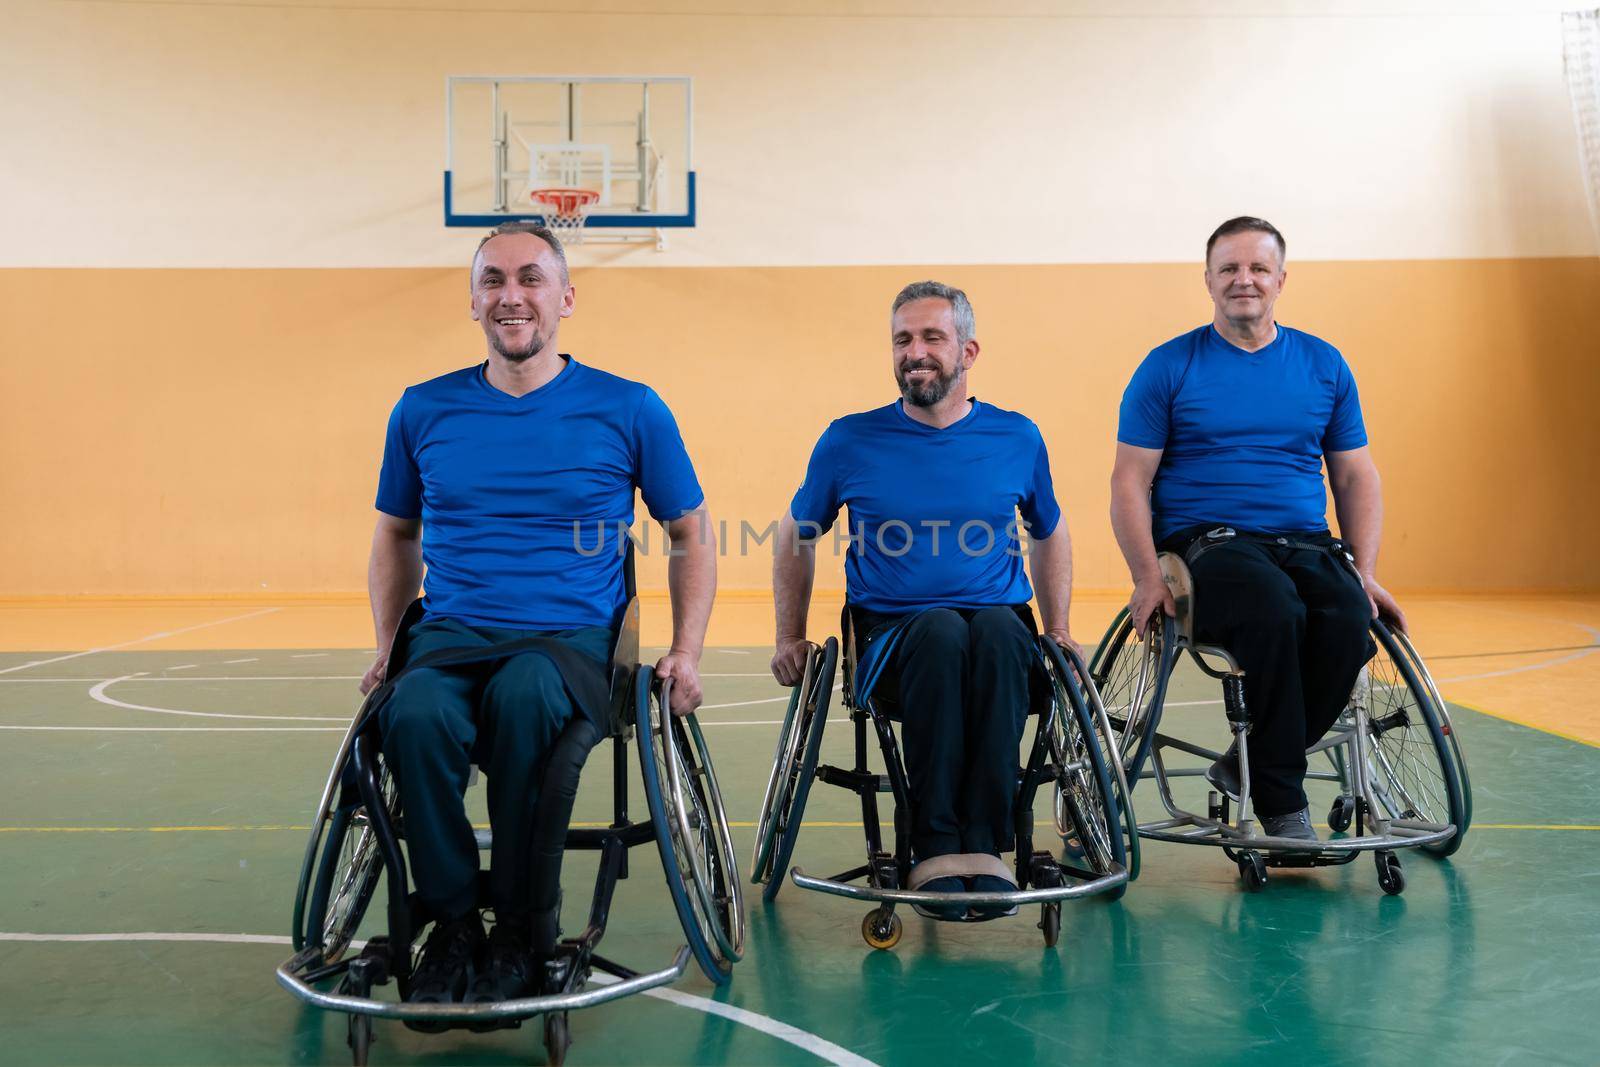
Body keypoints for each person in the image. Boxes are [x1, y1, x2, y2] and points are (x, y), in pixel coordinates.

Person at [363, 221, 715, 1018]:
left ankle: (525, 923)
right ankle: (452, 920)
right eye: (493, 280)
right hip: (451, 634)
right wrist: (389, 646)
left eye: (529, 279)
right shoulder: (424, 409)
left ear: (566, 297)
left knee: (524, 694)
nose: (510, 295)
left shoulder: (629, 407)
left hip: (567, 641)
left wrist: (686, 650)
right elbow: (396, 533)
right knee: (410, 713)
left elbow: (690, 533)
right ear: (474, 301)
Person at [770, 280, 1077, 919]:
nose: (916, 352)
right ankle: (935, 843)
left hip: (1000, 622)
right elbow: (796, 535)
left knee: (993, 633)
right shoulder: (850, 439)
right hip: (893, 634)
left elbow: (1049, 530)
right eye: (903, 339)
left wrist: (1063, 625)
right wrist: (788, 634)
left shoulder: (1017, 436)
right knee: (939, 629)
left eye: (932, 338)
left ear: (968, 351)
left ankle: (987, 845)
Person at [1110, 216, 1403, 842]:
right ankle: (1279, 797)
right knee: (1273, 609)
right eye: (1229, 269)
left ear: (1280, 280)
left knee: (1349, 617)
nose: (1244, 279)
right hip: (1207, 542)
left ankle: (1250, 766)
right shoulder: (1169, 366)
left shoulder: (1323, 364)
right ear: (1209, 280)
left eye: (1258, 268)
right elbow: (1129, 481)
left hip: (1303, 540)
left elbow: (1355, 477)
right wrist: (1144, 576)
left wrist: (1367, 573)